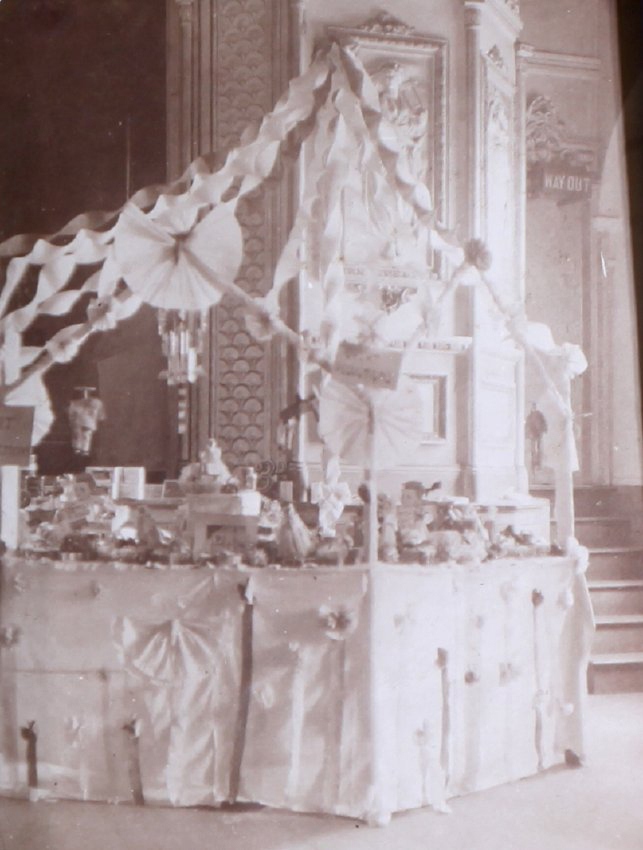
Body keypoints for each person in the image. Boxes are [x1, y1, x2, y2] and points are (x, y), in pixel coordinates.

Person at [525, 401, 547, 475]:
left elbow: (544, 422)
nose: (533, 407)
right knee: (533, 450)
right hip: (533, 434)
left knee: (539, 449)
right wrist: (528, 434)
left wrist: (543, 430)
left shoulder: (540, 414)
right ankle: (533, 465)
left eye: (534, 406)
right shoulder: (529, 416)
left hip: (539, 433)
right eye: (532, 406)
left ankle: (539, 464)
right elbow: (527, 425)